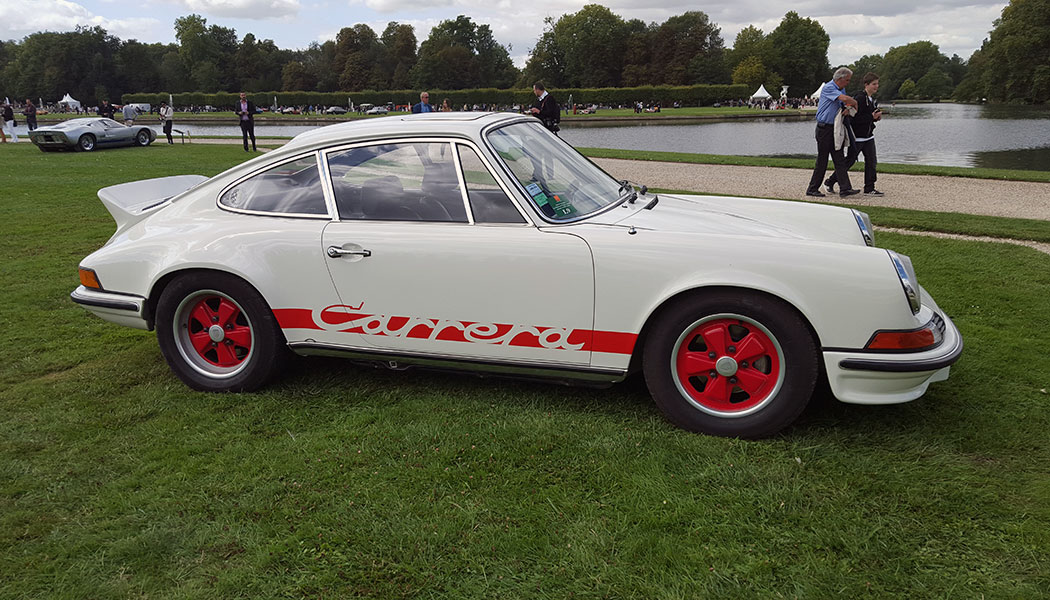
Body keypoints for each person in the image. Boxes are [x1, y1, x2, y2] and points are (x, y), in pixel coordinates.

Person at [826, 72, 883, 196]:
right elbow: (854, 117)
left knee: (872, 161)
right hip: (858, 136)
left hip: (868, 136)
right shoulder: (860, 98)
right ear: (866, 85)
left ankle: (869, 187)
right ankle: (830, 181)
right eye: (874, 84)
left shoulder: (871, 100)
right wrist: (870, 117)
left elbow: (867, 117)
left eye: (877, 84)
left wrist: (875, 118)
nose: (876, 86)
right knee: (849, 161)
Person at [805, 67, 859, 198]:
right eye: (847, 80)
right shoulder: (829, 87)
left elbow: (845, 103)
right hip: (824, 129)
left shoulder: (841, 89)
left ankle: (845, 188)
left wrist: (848, 108)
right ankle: (812, 188)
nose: (848, 83)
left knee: (839, 158)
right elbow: (846, 99)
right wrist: (854, 102)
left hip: (835, 128)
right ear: (840, 79)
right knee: (822, 160)